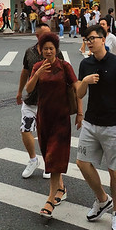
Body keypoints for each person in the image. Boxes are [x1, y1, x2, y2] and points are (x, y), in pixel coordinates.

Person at [76, 24, 116, 230]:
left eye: (92, 38)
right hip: (91, 123)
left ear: (103, 38)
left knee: (114, 170)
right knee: (82, 163)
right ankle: (102, 200)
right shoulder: (86, 63)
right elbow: (79, 94)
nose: (89, 42)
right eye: (86, 39)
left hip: (114, 125)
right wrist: (85, 81)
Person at [25, 32, 82, 218]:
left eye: (52, 48)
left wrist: (80, 113)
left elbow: (77, 88)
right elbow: (29, 89)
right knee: (49, 155)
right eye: (45, 48)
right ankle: (61, 189)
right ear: (41, 50)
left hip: (61, 118)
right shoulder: (37, 66)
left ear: (56, 50)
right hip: (44, 118)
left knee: (53, 156)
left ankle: (50, 200)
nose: (48, 51)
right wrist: (38, 73)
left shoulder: (64, 66)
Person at [16, 21, 64, 180]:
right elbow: (25, 72)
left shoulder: (56, 52)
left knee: (49, 135)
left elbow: (65, 75)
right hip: (31, 99)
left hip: (50, 102)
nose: (51, 36)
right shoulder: (29, 52)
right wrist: (19, 91)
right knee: (25, 129)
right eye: (46, 34)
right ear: (38, 36)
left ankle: (48, 163)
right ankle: (33, 159)